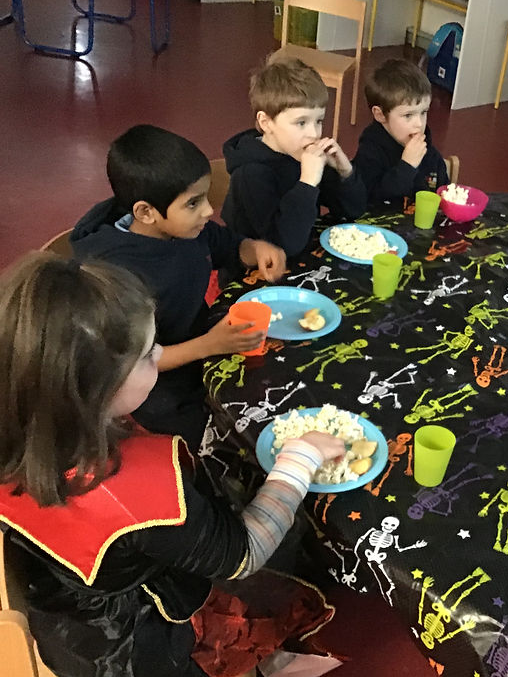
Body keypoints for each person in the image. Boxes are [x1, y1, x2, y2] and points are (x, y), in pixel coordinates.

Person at [0, 254, 346, 677]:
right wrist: (300, 459)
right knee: (285, 555)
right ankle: (265, 673)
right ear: (97, 390)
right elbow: (245, 554)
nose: (161, 355)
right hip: (128, 651)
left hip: (65, 610)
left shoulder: (29, 424)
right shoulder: (133, 491)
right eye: (148, 354)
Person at [70, 125, 287, 451]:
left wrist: (255, 249)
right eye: (193, 203)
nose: (208, 211)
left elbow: (227, 245)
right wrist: (209, 345)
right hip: (157, 385)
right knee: (224, 444)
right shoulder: (114, 276)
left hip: (205, 345)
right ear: (146, 212)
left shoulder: (186, 230)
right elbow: (129, 362)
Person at [222, 55, 367, 256]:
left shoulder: (301, 154)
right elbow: (283, 246)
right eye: (301, 123)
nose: (314, 133)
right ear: (266, 123)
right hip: (256, 269)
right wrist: (307, 183)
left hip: (302, 255)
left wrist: (345, 173)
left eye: (319, 121)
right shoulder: (250, 174)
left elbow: (353, 211)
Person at [353, 58, 449, 205]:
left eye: (423, 112)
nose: (419, 124)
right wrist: (407, 167)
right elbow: (367, 200)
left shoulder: (430, 154)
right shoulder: (370, 153)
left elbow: (443, 195)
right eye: (408, 115)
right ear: (380, 115)